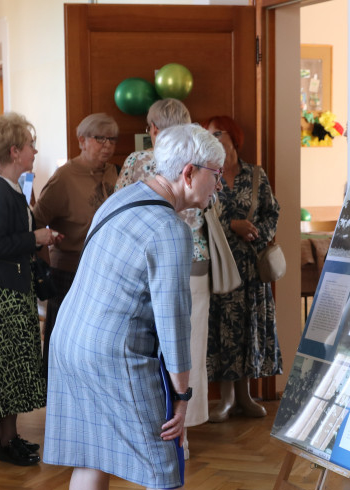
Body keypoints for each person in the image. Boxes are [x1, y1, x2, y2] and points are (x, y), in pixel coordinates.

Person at [43, 124, 248, 490]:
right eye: (215, 177)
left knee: (88, 457)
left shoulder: (124, 197)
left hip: (70, 338)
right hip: (116, 350)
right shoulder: (171, 230)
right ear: (188, 172)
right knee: (164, 467)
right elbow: (173, 322)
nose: (219, 187)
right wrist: (183, 394)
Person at [115, 99, 210, 455]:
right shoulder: (203, 160)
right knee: (189, 347)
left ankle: (157, 428)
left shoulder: (138, 162)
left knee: (153, 347)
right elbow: (210, 203)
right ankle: (186, 433)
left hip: (146, 266)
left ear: (153, 129)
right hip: (194, 263)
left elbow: (120, 206)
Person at [0, 113, 61, 466]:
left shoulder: (10, 187)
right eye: (29, 145)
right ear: (14, 151)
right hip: (1, 291)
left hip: (13, 286)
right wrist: (35, 237)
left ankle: (2, 436)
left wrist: (39, 237)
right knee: (7, 367)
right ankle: (6, 440)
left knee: (12, 365)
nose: (34, 150)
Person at [204, 115, 282, 421]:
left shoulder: (256, 175)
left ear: (234, 138)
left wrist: (255, 231)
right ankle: (225, 400)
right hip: (221, 265)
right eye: (208, 134)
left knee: (249, 328)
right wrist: (232, 225)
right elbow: (201, 214)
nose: (212, 138)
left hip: (252, 267)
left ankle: (246, 396)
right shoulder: (208, 172)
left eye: (218, 133)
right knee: (224, 329)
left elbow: (272, 212)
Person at [32, 113, 121, 377]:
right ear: (82, 141)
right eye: (100, 138)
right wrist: (46, 260)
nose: (107, 145)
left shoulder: (115, 173)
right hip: (69, 271)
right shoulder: (64, 177)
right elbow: (36, 222)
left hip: (106, 271)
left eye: (112, 139)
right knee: (63, 338)